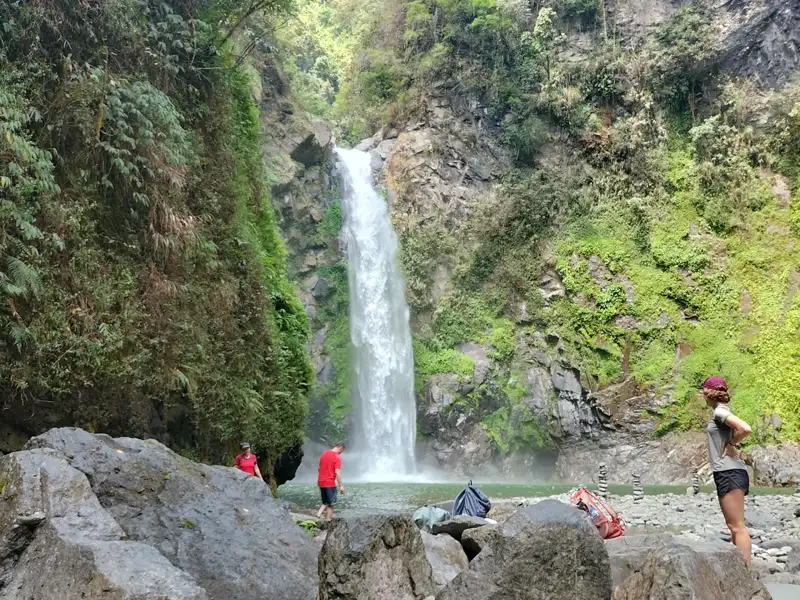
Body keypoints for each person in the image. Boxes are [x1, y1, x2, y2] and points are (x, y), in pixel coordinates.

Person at [703, 376, 753, 562]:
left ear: (708, 393)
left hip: (729, 471)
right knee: (734, 526)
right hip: (728, 471)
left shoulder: (719, 413)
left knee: (737, 526)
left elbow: (745, 428)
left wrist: (731, 442)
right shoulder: (721, 412)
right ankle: (739, 569)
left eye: (703, 390)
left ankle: (745, 572)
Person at [317, 443, 345, 521]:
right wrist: (341, 486)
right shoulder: (337, 457)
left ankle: (318, 514)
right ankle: (328, 520)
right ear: (340, 448)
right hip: (329, 482)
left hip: (321, 481)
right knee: (331, 504)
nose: (341, 453)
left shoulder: (324, 454)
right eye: (342, 451)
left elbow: (319, 468)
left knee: (325, 501)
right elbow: (337, 472)